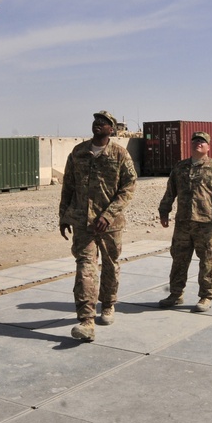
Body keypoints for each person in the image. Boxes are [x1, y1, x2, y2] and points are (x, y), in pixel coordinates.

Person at [59, 110, 138, 342]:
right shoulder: (78, 152)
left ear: (111, 130)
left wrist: (109, 214)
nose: (97, 124)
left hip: (110, 226)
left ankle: (109, 304)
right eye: (95, 121)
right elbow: (68, 186)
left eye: (103, 123)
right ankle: (86, 320)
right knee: (85, 267)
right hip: (83, 223)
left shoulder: (120, 154)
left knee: (111, 265)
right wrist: (64, 216)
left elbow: (129, 187)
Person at [157, 131, 212, 313]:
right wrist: (164, 211)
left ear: (208, 147)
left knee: (207, 261)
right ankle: (175, 294)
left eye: (202, 141)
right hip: (183, 223)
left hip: (206, 223)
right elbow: (170, 191)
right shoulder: (180, 167)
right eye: (195, 141)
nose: (198, 144)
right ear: (190, 145)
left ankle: (206, 296)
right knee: (179, 260)